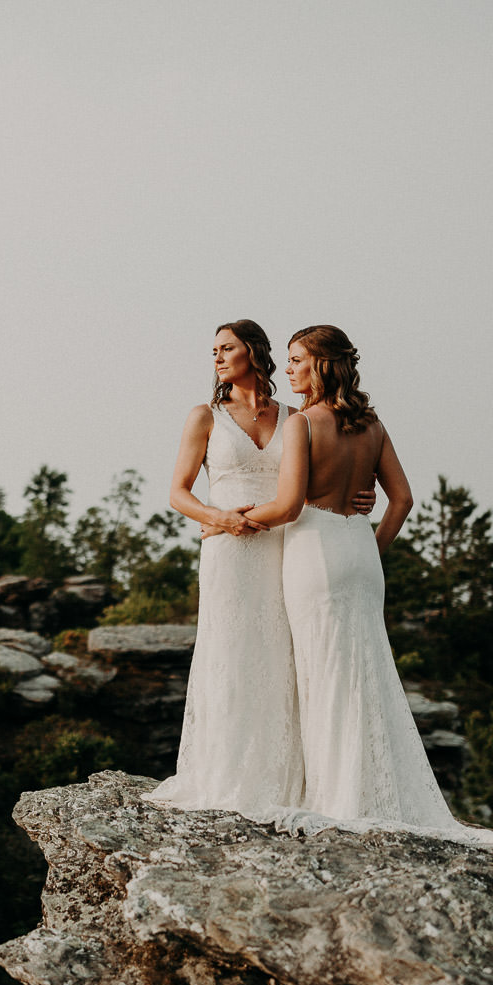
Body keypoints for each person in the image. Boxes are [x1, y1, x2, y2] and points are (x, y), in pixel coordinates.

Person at [241, 325, 493, 848]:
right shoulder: (372, 424)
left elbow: (290, 506)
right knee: (363, 673)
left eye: (296, 360)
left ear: (321, 365)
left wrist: (236, 519)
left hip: (314, 553)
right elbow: (402, 500)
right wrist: (371, 549)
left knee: (323, 675)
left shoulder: (301, 424)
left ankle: (338, 799)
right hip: (359, 553)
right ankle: (366, 789)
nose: (288, 370)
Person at [144, 321, 371, 816]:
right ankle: (225, 777)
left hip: (287, 549)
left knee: (281, 660)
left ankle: (284, 784)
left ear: (253, 351)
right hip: (228, 548)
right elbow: (177, 492)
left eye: (226, 348)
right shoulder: (205, 416)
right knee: (229, 651)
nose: (218, 358)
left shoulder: (297, 415)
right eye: (214, 351)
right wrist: (218, 517)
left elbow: (318, 480)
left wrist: (359, 495)